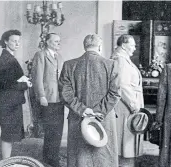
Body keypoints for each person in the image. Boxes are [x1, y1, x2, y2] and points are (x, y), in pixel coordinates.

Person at [59, 34, 121, 167]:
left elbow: (65, 94)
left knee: (80, 157)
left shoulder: (69, 65)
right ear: (100, 47)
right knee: (104, 156)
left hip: (78, 117)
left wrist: (83, 110)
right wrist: (97, 112)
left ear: (84, 46)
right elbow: (115, 93)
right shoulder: (111, 65)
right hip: (104, 117)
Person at [0, 29, 32, 159]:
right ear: (6, 41)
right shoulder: (6, 58)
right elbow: (6, 84)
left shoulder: (9, 57)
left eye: (18, 41)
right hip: (8, 103)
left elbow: (12, 79)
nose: (17, 44)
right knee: (7, 136)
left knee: (9, 136)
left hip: (11, 102)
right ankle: (5, 163)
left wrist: (23, 79)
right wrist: (25, 84)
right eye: (14, 41)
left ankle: (6, 162)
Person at [31, 33, 64, 167]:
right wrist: (41, 95)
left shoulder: (59, 57)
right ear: (48, 42)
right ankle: (50, 158)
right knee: (50, 130)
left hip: (59, 98)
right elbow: (37, 77)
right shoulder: (41, 55)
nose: (58, 44)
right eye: (56, 41)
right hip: (48, 98)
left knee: (58, 129)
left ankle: (52, 155)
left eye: (59, 41)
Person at [111, 34, 144, 166]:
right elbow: (122, 86)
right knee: (125, 144)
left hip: (125, 106)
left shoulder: (122, 59)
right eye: (132, 45)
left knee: (126, 143)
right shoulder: (120, 60)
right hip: (125, 107)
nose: (135, 48)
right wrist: (134, 105)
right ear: (124, 45)